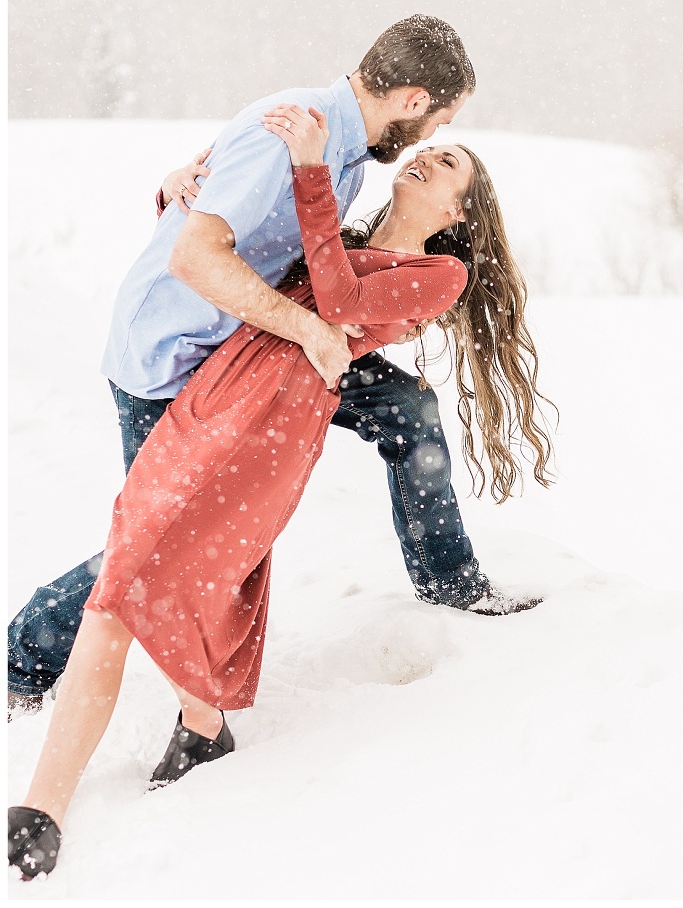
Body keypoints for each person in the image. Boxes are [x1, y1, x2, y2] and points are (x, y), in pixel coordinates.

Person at [8, 109, 553, 880]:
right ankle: (190, 725)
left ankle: (64, 771)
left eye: (450, 162)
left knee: (163, 574)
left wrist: (306, 170)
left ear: (461, 212)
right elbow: (244, 251)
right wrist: (179, 197)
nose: (428, 157)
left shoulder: (439, 274)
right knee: (149, 563)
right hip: (216, 394)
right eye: (429, 149)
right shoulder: (346, 224)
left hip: (275, 424)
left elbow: (334, 297)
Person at [7, 15, 519, 720]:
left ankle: (449, 579)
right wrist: (308, 322)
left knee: (410, 412)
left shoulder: (339, 154)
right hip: (178, 361)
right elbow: (197, 255)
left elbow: (305, 258)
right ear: (410, 99)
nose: (429, 139)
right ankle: (26, 655)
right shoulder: (295, 135)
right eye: (438, 119)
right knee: (155, 545)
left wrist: (186, 189)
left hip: (266, 353)